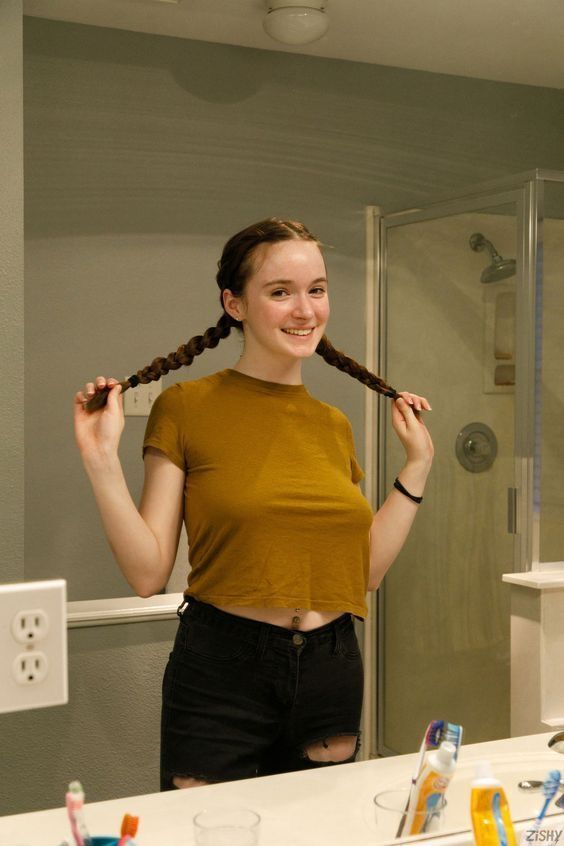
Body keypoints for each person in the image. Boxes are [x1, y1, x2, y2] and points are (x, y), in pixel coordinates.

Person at [73, 218, 433, 790]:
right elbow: (147, 573)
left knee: (319, 829)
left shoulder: (333, 424)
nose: (305, 310)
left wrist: (417, 465)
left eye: (317, 289)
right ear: (234, 304)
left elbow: (361, 573)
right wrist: (100, 459)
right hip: (221, 669)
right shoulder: (186, 407)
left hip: (331, 665)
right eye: (280, 292)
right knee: (205, 828)